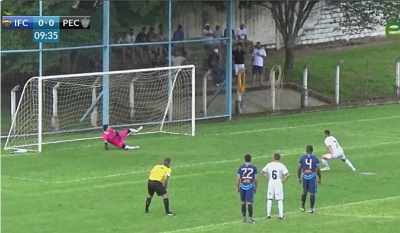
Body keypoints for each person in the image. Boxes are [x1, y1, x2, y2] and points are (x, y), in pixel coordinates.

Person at [261, 153, 289, 220]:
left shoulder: (269, 164)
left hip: (271, 181)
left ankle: (268, 214)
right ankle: (281, 215)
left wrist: (268, 178)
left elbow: (262, 172)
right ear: (279, 158)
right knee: (279, 199)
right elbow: (287, 174)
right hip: (278, 182)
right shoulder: (281, 165)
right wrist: (283, 180)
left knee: (269, 198)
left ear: (273, 158)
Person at [298, 145, 321, 214]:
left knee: (304, 191)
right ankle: (311, 208)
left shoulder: (302, 158)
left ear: (306, 150)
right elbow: (317, 169)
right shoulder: (315, 158)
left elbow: (299, 168)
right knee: (312, 193)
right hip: (312, 176)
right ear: (312, 150)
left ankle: (302, 206)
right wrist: (319, 178)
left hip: (304, 176)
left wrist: (299, 177)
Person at [236, 154, 258, 223]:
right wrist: (255, 187)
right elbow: (256, 179)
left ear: (244, 159)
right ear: (250, 159)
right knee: (249, 202)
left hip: (242, 186)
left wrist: (237, 187)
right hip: (250, 186)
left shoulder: (241, 167)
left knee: (243, 202)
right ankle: (250, 219)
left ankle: (244, 218)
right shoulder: (253, 168)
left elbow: (238, 178)